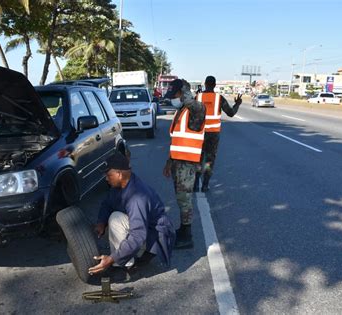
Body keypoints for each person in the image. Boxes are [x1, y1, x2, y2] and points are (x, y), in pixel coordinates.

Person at [88, 153, 175, 275]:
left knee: (115, 219)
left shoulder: (137, 198)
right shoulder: (121, 185)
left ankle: (124, 267)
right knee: (111, 217)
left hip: (154, 236)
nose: (106, 179)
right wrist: (101, 222)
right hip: (144, 228)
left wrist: (113, 259)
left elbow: (138, 235)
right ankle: (127, 256)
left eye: (108, 175)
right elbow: (107, 203)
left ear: (119, 174)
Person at [162, 79, 206, 249]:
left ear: (184, 93)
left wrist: (186, 94)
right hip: (177, 162)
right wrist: (169, 162)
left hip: (188, 163)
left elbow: (196, 105)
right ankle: (183, 229)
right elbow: (177, 140)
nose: (173, 99)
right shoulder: (181, 111)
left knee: (185, 200)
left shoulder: (197, 110)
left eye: (176, 95)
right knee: (181, 199)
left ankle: (187, 236)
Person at [194, 76, 242, 192]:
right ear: (215, 85)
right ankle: (205, 185)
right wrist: (237, 104)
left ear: (205, 84)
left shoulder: (198, 97)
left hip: (200, 133)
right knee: (210, 160)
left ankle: (195, 185)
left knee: (198, 159)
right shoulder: (219, 98)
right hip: (213, 135)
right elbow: (230, 113)